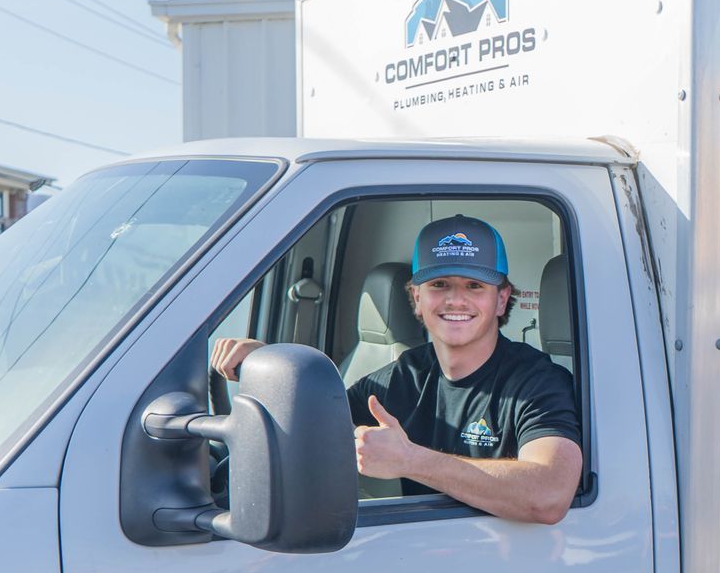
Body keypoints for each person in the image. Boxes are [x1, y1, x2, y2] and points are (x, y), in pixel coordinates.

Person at [212, 216, 583, 524]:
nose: (456, 299)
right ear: (417, 299)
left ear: (502, 299)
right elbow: (309, 432)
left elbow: (548, 495)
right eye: (439, 285)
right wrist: (268, 365)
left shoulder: (537, 382)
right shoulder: (400, 378)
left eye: (474, 286)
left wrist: (410, 461)